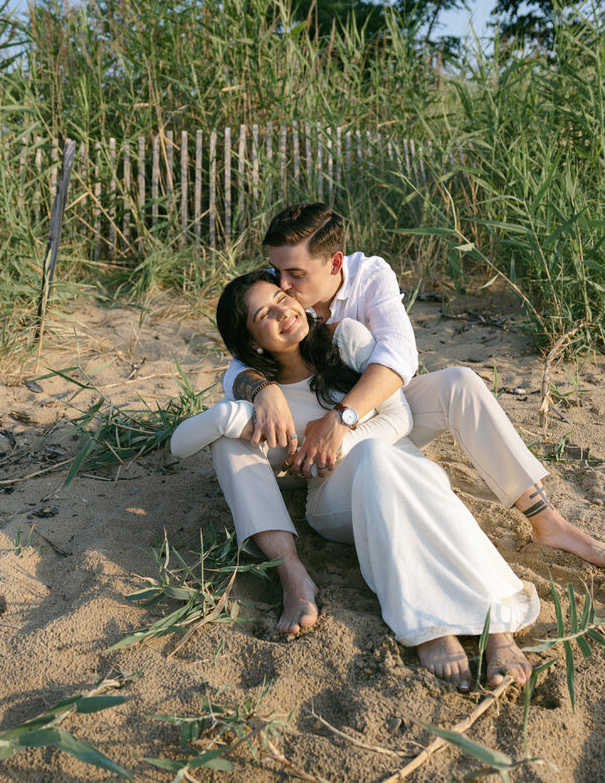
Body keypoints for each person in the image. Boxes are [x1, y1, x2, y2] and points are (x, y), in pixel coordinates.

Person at [212, 203, 605, 642]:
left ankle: (547, 522)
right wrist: (262, 389)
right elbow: (239, 356)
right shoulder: (281, 291)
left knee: (460, 383)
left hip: (371, 420)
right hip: (298, 453)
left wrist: (342, 421)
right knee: (230, 441)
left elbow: (399, 358)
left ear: (334, 263)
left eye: (294, 276)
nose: (282, 284)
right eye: (277, 273)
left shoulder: (371, 276)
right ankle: (292, 575)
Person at [170, 270, 540, 689]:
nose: (283, 311)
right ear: (253, 341)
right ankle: (421, 621)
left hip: (404, 473)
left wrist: (332, 446)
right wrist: (231, 414)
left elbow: (399, 416)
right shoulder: (256, 392)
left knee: (385, 457)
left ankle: (496, 627)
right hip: (334, 501)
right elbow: (178, 445)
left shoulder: (346, 338)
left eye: (281, 297)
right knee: (230, 441)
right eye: (264, 314)